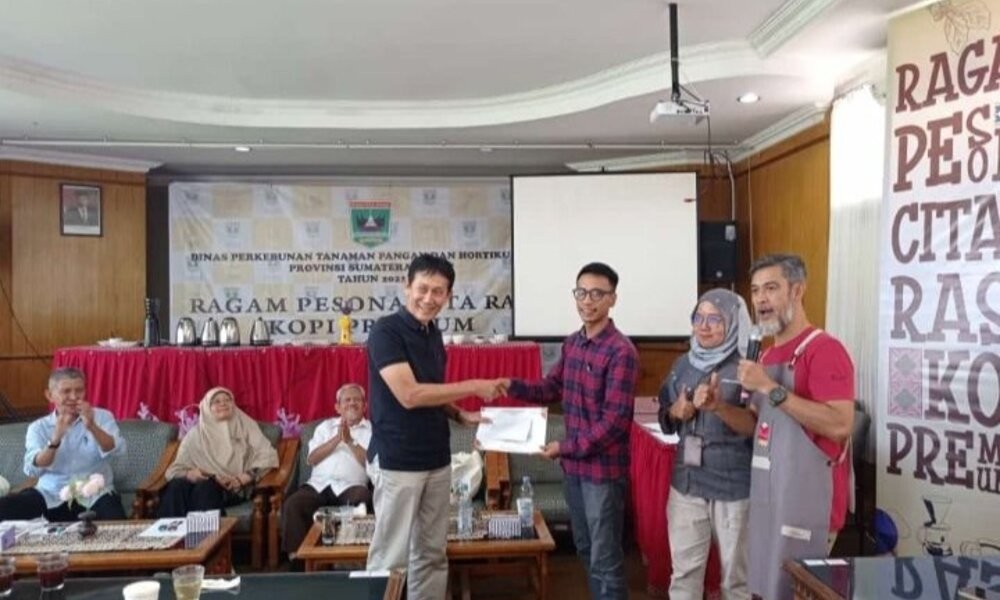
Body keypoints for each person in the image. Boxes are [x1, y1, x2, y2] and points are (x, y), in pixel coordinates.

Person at [365, 253, 503, 600]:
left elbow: (432, 390)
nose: (429, 299)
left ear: (449, 295)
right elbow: (410, 395)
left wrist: (459, 415)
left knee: (432, 554)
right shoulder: (385, 332)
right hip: (398, 460)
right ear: (406, 286)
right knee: (389, 560)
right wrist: (474, 386)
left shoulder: (432, 333)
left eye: (438, 292)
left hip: (437, 458)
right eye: (422, 289)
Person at [720, 254, 855, 600]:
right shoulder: (766, 357)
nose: (760, 300)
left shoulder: (824, 350)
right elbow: (755, 425)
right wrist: (716, 407)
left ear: (797, 290)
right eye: (755, 291)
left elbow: (840, 425)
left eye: (771, 288)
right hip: (770, 502)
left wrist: (769, 387)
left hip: (808, 508)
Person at [501, 262, 639, 600]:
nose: (587, 301)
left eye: (597, 294)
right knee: (585, 548)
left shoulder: (621, 352)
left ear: (612, 299)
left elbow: (614, 422)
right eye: (581, 292)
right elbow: (551, 387)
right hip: (574, 471)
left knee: (605, 559)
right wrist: (510, 385)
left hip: (602, 474)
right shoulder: (573, 343)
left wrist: (564, 447)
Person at [657, 289, 753, 600]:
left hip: (733, 487)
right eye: (698, 317)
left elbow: (755, 427)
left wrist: (718, 407)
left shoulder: (748, 369)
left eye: (715, 319)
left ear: (734, 323)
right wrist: (676, 411)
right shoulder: (682, 364)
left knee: (735, 582)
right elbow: (665, 417)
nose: (704, 326)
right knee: (683, 575)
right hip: (686, 484)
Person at [0, 367, 127, 520]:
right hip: (51, 494)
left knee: (116, 521)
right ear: (50, 395)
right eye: (66, 391)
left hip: (95, 493)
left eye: (79, 390)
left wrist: (92, 426)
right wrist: (55, 439)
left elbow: (115, 449)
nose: (73, 397)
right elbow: (34, 469)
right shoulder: (38, 427)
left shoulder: (102, 417)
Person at [282, 383, 372, 558]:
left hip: (352, 487)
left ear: (365, 406)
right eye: (347, 400)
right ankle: (298, 560)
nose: (352, 403)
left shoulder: (372, 430)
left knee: (362, 501)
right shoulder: (325, 427)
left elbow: (371, 464)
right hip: (318, 485)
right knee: (293, 504)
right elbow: (312, 459)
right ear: (337, 407)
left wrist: (350, 441)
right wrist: (337, 439)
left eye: (357, 400)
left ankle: (351, 558)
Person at [158, 387, 278, 517]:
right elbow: (173, 471)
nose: (223, 404)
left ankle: (208, 531)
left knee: (205, 487)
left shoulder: (246, 426)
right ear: (206, 408)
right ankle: (169, 529)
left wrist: (243, 478)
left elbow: (268, 455)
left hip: (233, 488)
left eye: (227, 400)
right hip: (199, 486)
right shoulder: (195, 435)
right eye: (217, 401)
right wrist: (189, 474)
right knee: (176, 486)